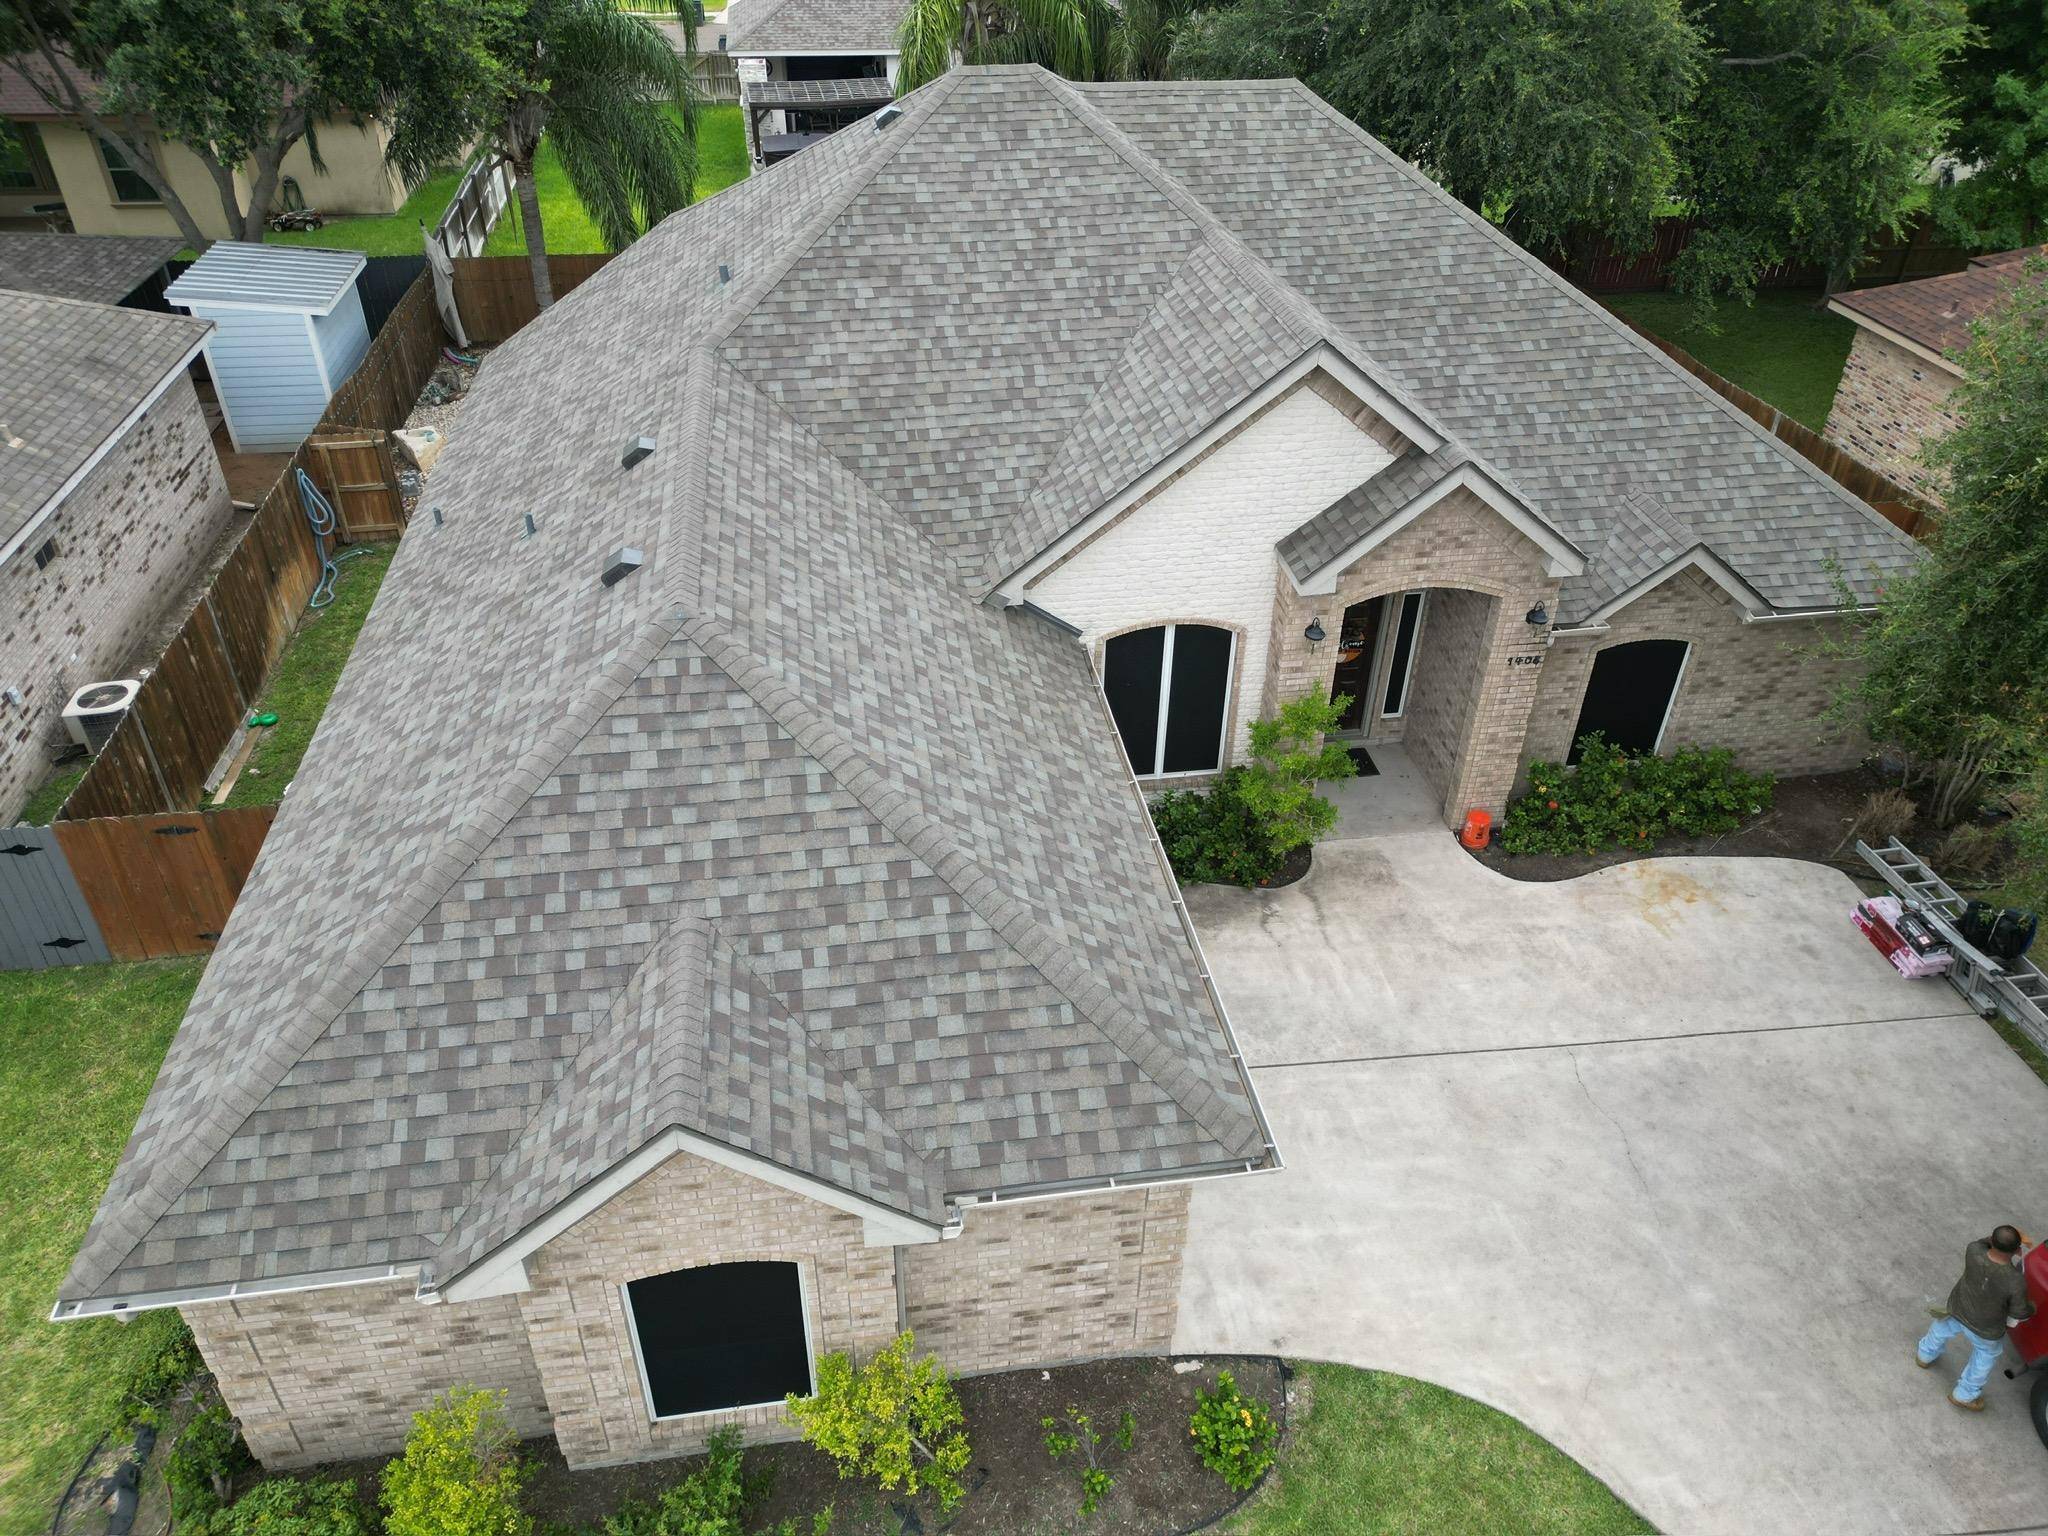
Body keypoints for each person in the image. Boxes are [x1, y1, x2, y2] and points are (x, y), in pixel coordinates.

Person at [1917, 1226, 2037, 1410]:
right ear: (2016, 1250)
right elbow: (2019, 1312)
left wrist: (1994, 1239)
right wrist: (2033, 1307)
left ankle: (1925, 1355)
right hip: (1986, 1328)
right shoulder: (2015, 1281)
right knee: (1985, 1357)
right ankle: (1963, 1395)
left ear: (1992, 1240)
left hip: (1958, 1309)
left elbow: (1982, 1242)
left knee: (1941, 1328)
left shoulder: (1973, 1251)